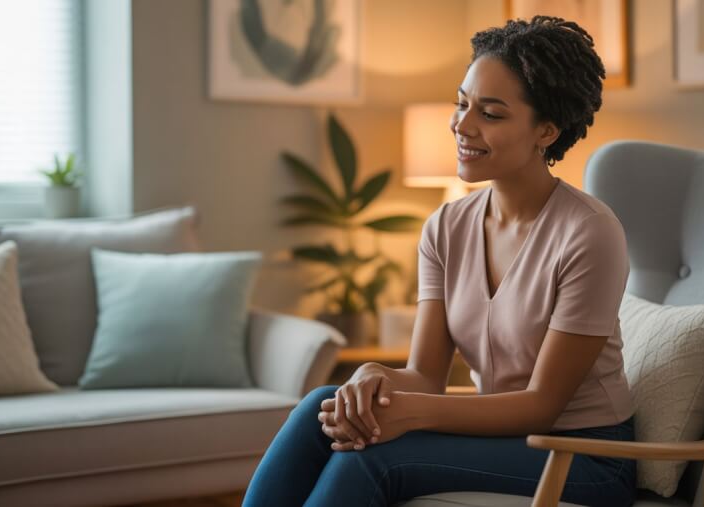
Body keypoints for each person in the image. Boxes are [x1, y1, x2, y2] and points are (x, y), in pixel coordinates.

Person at [243, 16, 636, 507]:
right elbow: (425, 375)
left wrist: (410, 413)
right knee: (317, 411)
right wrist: (372, 377)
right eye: (462, 103)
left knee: (369, 458)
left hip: (584, 454)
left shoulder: (590, 233)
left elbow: (541, 407)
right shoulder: (446, 227)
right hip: (502, 439)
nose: (462, 125)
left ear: (546, 131)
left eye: (491, 114)